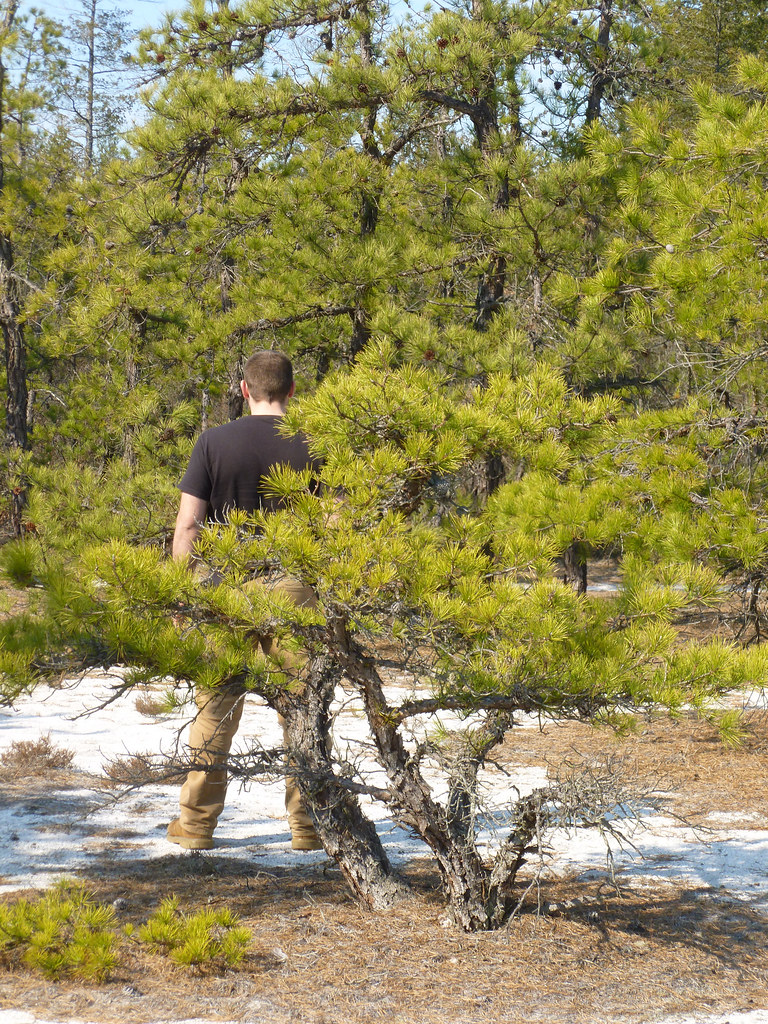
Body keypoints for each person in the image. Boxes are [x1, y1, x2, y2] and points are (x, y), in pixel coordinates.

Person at [167, 350, 323, 852]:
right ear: (292, 391)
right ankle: (308, 827)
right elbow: (339, 524)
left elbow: (188, 525)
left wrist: (181, 594)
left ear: (244, 389)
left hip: (223, 585)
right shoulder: (316, 443)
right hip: (296, 586)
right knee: (303, 708)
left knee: (214, 709)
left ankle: (195, 827)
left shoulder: (213, 442)